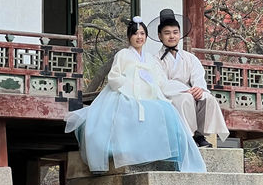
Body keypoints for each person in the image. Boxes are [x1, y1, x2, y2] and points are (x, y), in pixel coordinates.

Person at [65, 16, 206, 173]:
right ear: (129, 37)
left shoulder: (150, 59)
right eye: (135, 34)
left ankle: (162, 150)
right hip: (125, 93)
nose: (139, 37)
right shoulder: (123, 54)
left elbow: (161, 81)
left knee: (166, 110)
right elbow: (113, 77)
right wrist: (129, 83)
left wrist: (179, 90)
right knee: (128, 110)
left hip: (148, 95)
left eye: (142, 34)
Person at [154, 9, 229, 148]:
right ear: (160, 36)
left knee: (207, 98)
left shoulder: (190, 58)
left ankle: (200, 134)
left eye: (175, 32)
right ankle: (189, 136)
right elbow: (162, 83)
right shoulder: (155, 60)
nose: (172, 36)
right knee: (186, 99)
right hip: (170, 96)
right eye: (167, 33)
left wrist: (198, 89)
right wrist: (185, 91)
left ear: (180, 34)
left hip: (189, 92)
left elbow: (198, 76)